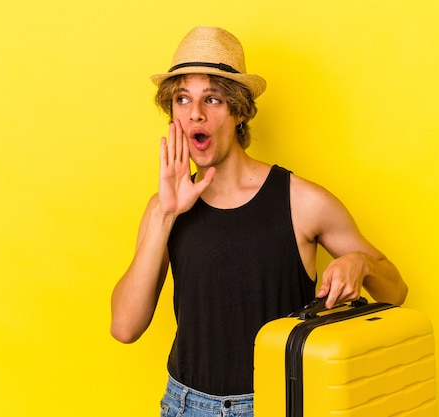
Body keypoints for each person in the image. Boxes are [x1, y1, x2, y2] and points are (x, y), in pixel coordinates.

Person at [110, 26, 408, 417]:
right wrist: (165, 214)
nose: (195, 113)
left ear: (239, 110)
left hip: (276, 405)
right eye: (182, 99)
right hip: (184, 404)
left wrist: (361, 262)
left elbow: (397, 292)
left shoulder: (304, 201)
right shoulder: (164, 208)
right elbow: (125, 328)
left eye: (212, 99)